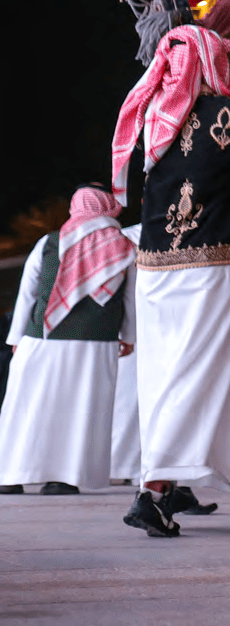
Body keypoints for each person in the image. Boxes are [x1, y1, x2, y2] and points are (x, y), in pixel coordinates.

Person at [114, 23, 230, 537]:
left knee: (167, 376)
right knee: (198, 375)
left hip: (155, 267)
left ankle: (165, 487)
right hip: (213, 263)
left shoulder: (154, 114)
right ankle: (153, 489)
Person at [0, 186, 135, 494]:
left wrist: (16, 337)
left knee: (27, 408)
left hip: (41, 340)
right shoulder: (124, 247)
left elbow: (27, 294)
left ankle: (10, 477)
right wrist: (128, 337)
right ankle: (64, 479)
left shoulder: (49, 243)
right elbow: (131, 300)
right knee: (79, 412)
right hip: (96, 344)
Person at [109, 221, 144, 484]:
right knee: (126, 400)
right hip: (134, 332)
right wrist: (126, 334)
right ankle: (117, 468)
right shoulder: (127, 237)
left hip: (172, 327)